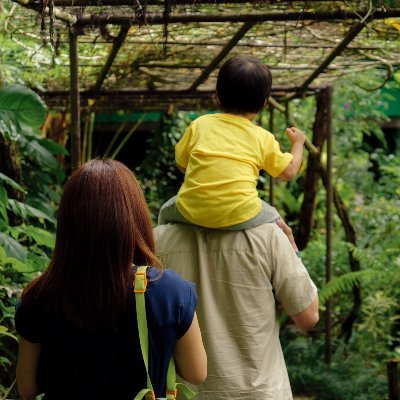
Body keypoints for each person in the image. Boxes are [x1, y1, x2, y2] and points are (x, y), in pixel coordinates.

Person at [14, 159, 207, 400]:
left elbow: (27, 389)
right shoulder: (169, 291)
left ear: (68, 223)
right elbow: (196, 372)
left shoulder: (38, 297)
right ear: (134, 217)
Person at [154, 219, 319, 400]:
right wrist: (292, 250)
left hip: (186, 393)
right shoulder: (269, 236)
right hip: (260, 393)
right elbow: (308, 317)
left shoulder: (159, 239)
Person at [158, 54, 306, 230]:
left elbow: (182, 164)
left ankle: (156, 251)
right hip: (241, 214)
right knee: (277, 221)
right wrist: (298, 144)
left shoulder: (200, 124)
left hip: (193, 212)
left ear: (218, 96)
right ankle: (293, 252)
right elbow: (288, 172)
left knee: (164, 212)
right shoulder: (262, 137)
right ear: (264, 102)